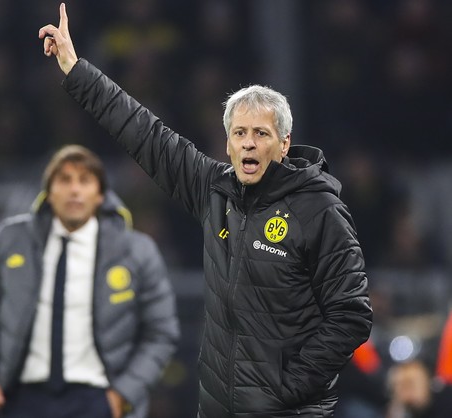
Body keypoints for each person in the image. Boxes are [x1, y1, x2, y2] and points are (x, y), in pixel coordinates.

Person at [39, 4, 372, 417]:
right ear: (228, 142)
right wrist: (75, 69)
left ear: (284, 144)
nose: (248, 143)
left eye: (261, 134)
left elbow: (352, 313)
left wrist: (290, 389)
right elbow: (144, 132)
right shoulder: (214, 190)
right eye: (239, 133)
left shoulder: (318, 208)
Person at [0, 144, 179, 418]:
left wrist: (123, 394)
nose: (74, 190)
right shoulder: (12, 240)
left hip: (99, 397)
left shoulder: (136, 250)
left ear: (100, 195)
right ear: (49, 193)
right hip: (21, 397)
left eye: (85, 181)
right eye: (64, 180)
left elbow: (161, 331)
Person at [385, 360, 452, 418]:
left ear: (426, 382)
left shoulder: (447, 402)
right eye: (402, 386)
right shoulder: (402, 411)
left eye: (411, 385)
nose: (407, 392)